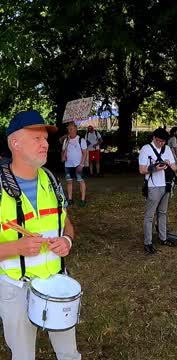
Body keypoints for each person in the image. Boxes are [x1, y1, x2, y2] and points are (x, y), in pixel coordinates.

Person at [0, 110, 81, 360]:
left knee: (69, 354)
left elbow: (67, 224)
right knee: (23, 356)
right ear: (15, 143)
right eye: (37, 138)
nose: (45, 144)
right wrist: (17, 248)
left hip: (56, 284)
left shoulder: (50, 180)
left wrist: (67, 241)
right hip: (15, 287)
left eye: (45, 139)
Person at [138, 128, 177, 254]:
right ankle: (148, 242)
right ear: (154, 138)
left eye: (163, 142)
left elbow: (175, 167)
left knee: (163, 212)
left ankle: (163, 237)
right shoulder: (146, 149)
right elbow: (142, 170)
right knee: (150, 215)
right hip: (153, 185)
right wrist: (155, 168)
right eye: (159, 141)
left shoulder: (167, 149)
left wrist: (168, 164)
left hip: (166, 184)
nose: (161, 144)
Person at [61, 122, 88, 207]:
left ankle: (83, 200)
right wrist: (63, 156)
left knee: (80, 181)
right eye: (68, 129)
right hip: (68, 165)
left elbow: (84, 153)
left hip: (78, 165)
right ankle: (70, 199)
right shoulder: (66, 140)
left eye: (71, 129)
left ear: (76, 129)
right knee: (69, 182)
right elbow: (63, 151)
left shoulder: (81, 140)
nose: (69, 131)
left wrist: (81, 164)